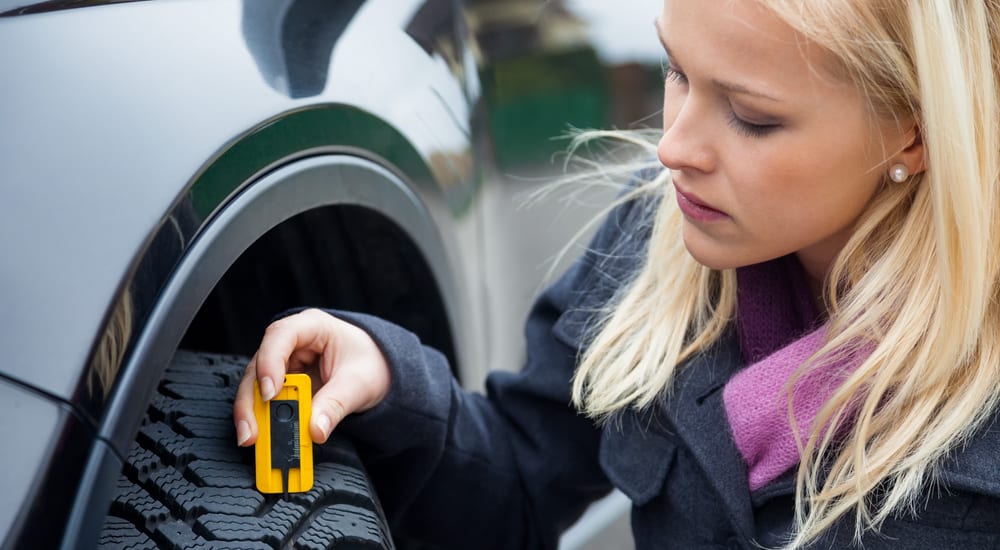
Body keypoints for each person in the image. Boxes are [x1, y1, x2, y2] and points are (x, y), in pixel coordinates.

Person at [233, 0, 1000, 548]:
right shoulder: (657, 240)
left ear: (914, 132)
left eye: (752, 117)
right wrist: (391, 384)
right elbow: (520, 486)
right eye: (677, 71)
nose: (673, 148)